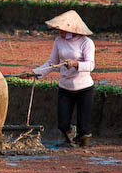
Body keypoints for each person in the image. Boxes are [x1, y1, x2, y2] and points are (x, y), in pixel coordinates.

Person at [31, 10, 95, 147]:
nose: (60, 31)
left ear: (72, 29)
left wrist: (76, 63)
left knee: (84, 130)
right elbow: (52, 63)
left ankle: (82, 147)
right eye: (59, 29)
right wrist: (34, 73)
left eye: (63, 29)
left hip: (84, 89)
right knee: (63, 124)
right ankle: (70, 139)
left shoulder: (86, 43)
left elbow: (91, 65)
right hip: (65, 88)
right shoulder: (59, 41)